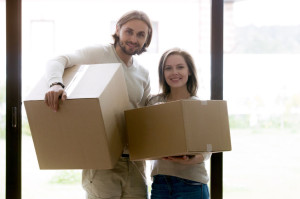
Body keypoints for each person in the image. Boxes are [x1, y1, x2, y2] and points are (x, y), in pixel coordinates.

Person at [44, 10, 152, 199]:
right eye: (129, 31)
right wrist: (55, 84)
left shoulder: (143, 73)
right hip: (103, 162)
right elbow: (58, 60)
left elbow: (143, 116)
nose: (134, 39)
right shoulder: (98, 54)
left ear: (146, 39)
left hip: (136, 163)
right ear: (117, 30)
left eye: (141, 34)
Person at [146, 48, 211, 199]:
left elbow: (207, 151)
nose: (174, 72)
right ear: (162, 73)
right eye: (168, 68)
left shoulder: (200, 105)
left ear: (189, 71)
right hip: (160, 183)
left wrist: (190, 160)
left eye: (180, 67)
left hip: (192, 184)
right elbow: (145, 141)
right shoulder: (153, 103)